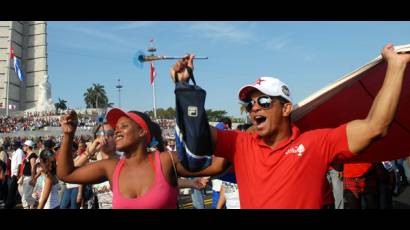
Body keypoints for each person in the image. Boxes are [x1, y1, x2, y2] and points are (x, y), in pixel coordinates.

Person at [171, 44, 410, 208]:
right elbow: (197, 136)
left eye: (264, 101)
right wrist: (185, 89)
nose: (254, 107)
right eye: (249, 103)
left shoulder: (316, 143)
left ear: (286, 109)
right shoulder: (239, 143)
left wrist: (396, 67)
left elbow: (375, 127)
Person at [57, 109, 179, 209]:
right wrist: (68, 135)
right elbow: (66, 174)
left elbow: (196, 165)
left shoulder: (165, 160)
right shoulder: (111, 167)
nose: (116, 132)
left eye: (124, 126)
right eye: (115, 129)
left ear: (142, 132)